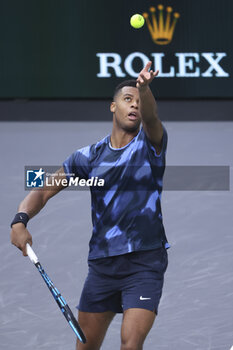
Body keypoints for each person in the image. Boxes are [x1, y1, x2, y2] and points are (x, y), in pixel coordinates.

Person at [10, 61, 169, 350]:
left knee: (130, 345)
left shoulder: (150, 145)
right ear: (113, 107)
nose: (134, 105)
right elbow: (44, 189)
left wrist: (144, 89)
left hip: (145, 262)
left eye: (138, 101)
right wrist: (20, 220)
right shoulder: (89, 156)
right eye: (127, 99)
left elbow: (153, 118)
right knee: (85, 347)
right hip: (102, 266)